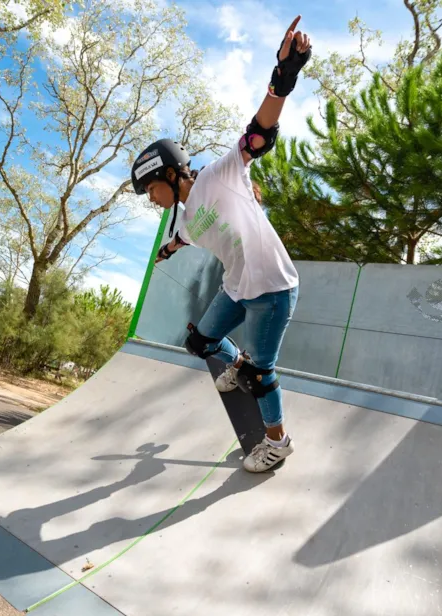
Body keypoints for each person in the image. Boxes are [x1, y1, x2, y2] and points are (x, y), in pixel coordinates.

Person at [129, 16, 311, 473]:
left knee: (259, 375)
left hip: (271, 288)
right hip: (236, 289)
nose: (152, 199)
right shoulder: (186, 217)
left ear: (169, 175)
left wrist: (283, 78)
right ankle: (236, 365)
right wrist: (166, 252)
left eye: (151, 189)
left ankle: (277, 442)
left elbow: (258, 134)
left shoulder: (221, 175)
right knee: (201, 341)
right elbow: (184, 238)